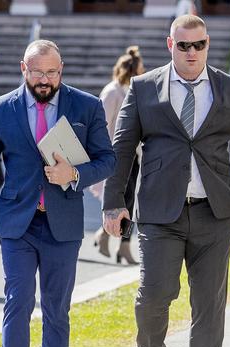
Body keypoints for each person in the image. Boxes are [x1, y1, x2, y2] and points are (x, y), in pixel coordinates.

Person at [103, 15, 230, 347]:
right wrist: (114, 202)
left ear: (207, 44)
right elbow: (123, 147)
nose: (192, 52)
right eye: (184, 45)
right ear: (171, 45)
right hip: (161, 213)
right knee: (154, 296)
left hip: (216, 212)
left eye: (199, 45)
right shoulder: (144, 87)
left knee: (209, 303)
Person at [0, 39, 115, 347]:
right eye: (37, 72)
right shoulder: (0, 110)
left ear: (61, 71)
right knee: (17, 302)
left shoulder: (86, 107)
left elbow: (107, 160)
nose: (44, 80)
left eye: (51, 72)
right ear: (24, 69)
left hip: (63, 224)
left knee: (56, 310)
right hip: (18, 224)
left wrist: (73, 173)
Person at [91, 45, 145, 264]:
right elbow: (100, 124)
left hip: (135, 155)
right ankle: (112, 237)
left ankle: (118, 242)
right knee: (125, 200)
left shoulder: (138, 91)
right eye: (140, 69)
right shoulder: (113, 92)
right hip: (116, 156)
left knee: (130, 202)